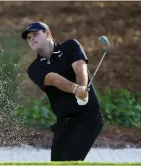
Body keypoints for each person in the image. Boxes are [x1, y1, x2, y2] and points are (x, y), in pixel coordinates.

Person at [21, 22, 104, 161]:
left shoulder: (70, 46)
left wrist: (82, 88)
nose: (32, 39)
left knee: (70, 160)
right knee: (57, 162)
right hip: (64, 122)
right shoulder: (34, 68)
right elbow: (53, 79)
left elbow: (80, 68)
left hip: (89, 118)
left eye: (35, 34)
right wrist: (76, 89)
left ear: (48, 33)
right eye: (29, 38)